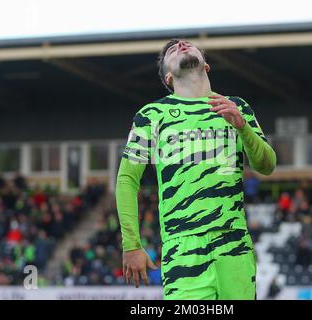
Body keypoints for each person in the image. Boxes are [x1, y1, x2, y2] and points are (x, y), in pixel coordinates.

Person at [116, 39, 277, 300]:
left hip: (234, 244)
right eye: (171, 50)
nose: (180, 44)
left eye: (188, 44)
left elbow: (267, 165)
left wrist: (243, 128)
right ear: (168, 77)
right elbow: (126, 180)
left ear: (207, 64)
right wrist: (131, 244)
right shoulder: (152, 115)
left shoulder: (236, 107)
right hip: (183, 248)